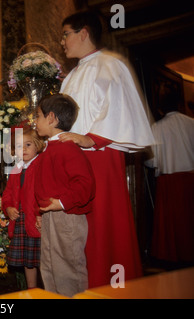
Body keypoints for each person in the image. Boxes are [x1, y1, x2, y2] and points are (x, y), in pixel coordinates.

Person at [58, 11, 155, 288]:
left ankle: (114, 286)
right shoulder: (70, 77)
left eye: (66, 34)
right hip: (73, 159)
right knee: (79, 229)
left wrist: (90, 139)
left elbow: (120, 108)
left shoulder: (110, 65)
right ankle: (84, 286)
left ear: (83, 33)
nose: (63, 42)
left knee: (104, 225)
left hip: (100, 155)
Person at [33, 94, 95, 297]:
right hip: (51, 215)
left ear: (51, 118)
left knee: (68, 268)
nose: (35, 121)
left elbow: (86, 186)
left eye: (38, 116)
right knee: (50, 266)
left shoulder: (68, 149)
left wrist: (61, 203)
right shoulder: (50, 148)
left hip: (67, 217)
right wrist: (40, 213)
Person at [146, 91, 194, 262]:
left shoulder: (157, 128)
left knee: (172, 225)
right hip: (190, 180)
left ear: (160, 109)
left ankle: (173, 259)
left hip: (168, 182)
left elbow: (151, 161)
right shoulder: (191, 123)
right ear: (180, 105)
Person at [2, 126, 45, 289]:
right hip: (21, 219)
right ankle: (32, 290)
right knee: (29, 261)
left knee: (43, 259)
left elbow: (45, 192)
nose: (24, 149)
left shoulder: (41, 165)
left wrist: (41, 214)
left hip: (36, 220)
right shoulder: (16, 169)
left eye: (28, 145)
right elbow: (7, 194)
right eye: (19, 146)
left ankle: (48, 291)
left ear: (38, 145)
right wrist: (8, 208)